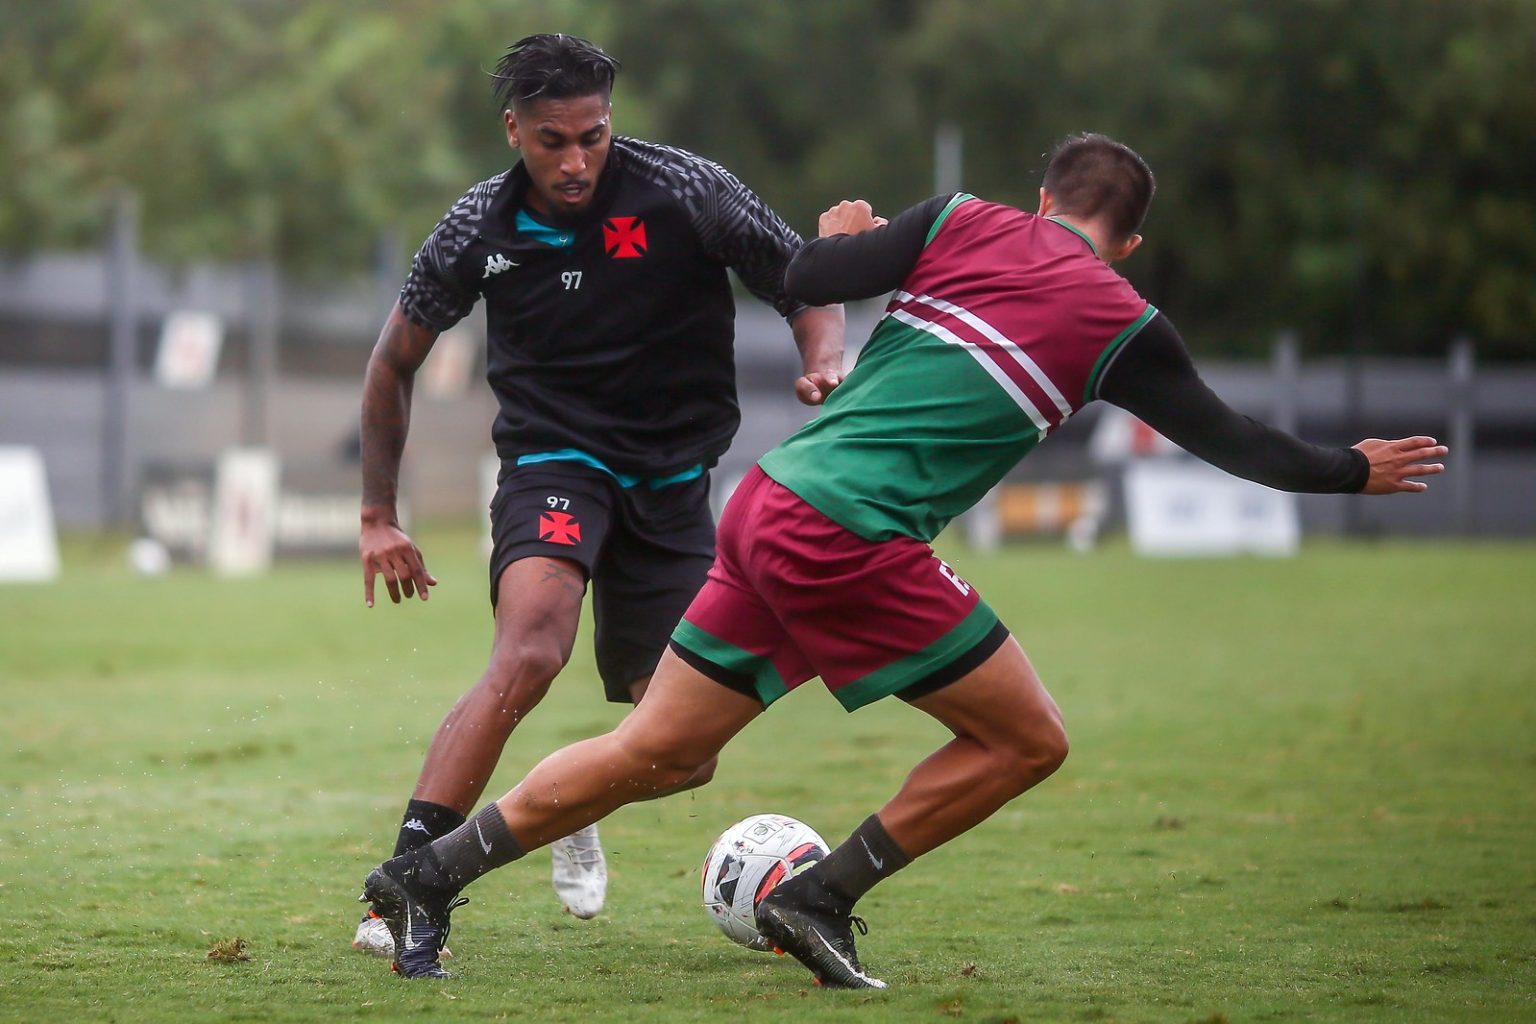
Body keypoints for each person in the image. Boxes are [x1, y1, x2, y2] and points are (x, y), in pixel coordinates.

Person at [357, 133, 1448, 983]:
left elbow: (811, 268)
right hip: (850, 536)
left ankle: (422, 877)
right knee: (1026, 740)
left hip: (769, 500)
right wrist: (1354, 469)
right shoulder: (1122, 317)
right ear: (1128, 243)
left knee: (658, 750)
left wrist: (839, 231)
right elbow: (1241, 443)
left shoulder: (959, 219)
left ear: (1043, 205)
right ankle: (818, 896)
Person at [352, 33, 844, 958]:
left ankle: (558, 798)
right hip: (556, 464)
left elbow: (805, 280)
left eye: (593, 135)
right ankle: (400, 896)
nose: (576, 161)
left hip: (672, 483)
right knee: (530, 649)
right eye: (552, 141)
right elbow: (393, 363)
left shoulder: (687, 189)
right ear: (512, 131)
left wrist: (824, 363)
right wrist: (377, 515)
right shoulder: (475, 230)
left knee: (684, 752)